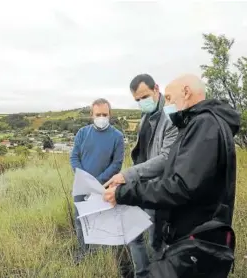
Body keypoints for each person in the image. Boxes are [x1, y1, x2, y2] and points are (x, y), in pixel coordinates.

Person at [104, 74, 240, 278]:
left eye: (168, 98)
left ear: (186, 92)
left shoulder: (204, 125)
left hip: (195, 238)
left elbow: (181, 186)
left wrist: (124, 192)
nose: (166, 104)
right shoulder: (199, 123)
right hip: (193, 235)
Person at [111, 74, 178, 278]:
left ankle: (158, 273)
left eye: (144, 97)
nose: (142, 102)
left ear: (156, 88)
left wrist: (128, 174)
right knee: (134, 235)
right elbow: (141, 153)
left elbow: (166, 158)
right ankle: (141, 273)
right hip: (140, 186)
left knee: (156, 241)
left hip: (158, 189)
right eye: (137, 100)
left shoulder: (171, 116)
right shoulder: (145, 117)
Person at [70, 98, 125, 262]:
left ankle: (102, 258)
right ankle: (83, 254)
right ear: (91, 115)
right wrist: (84, 179)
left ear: (110, 114)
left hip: (104, 189)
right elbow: (74, 157)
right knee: (81, 222)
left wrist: (96, 182)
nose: (101, 117)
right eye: (98, 114)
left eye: (105, 114)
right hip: (81, 186)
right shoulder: (82, 133)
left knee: (102, 223)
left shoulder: (117, 136)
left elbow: (117, 164)